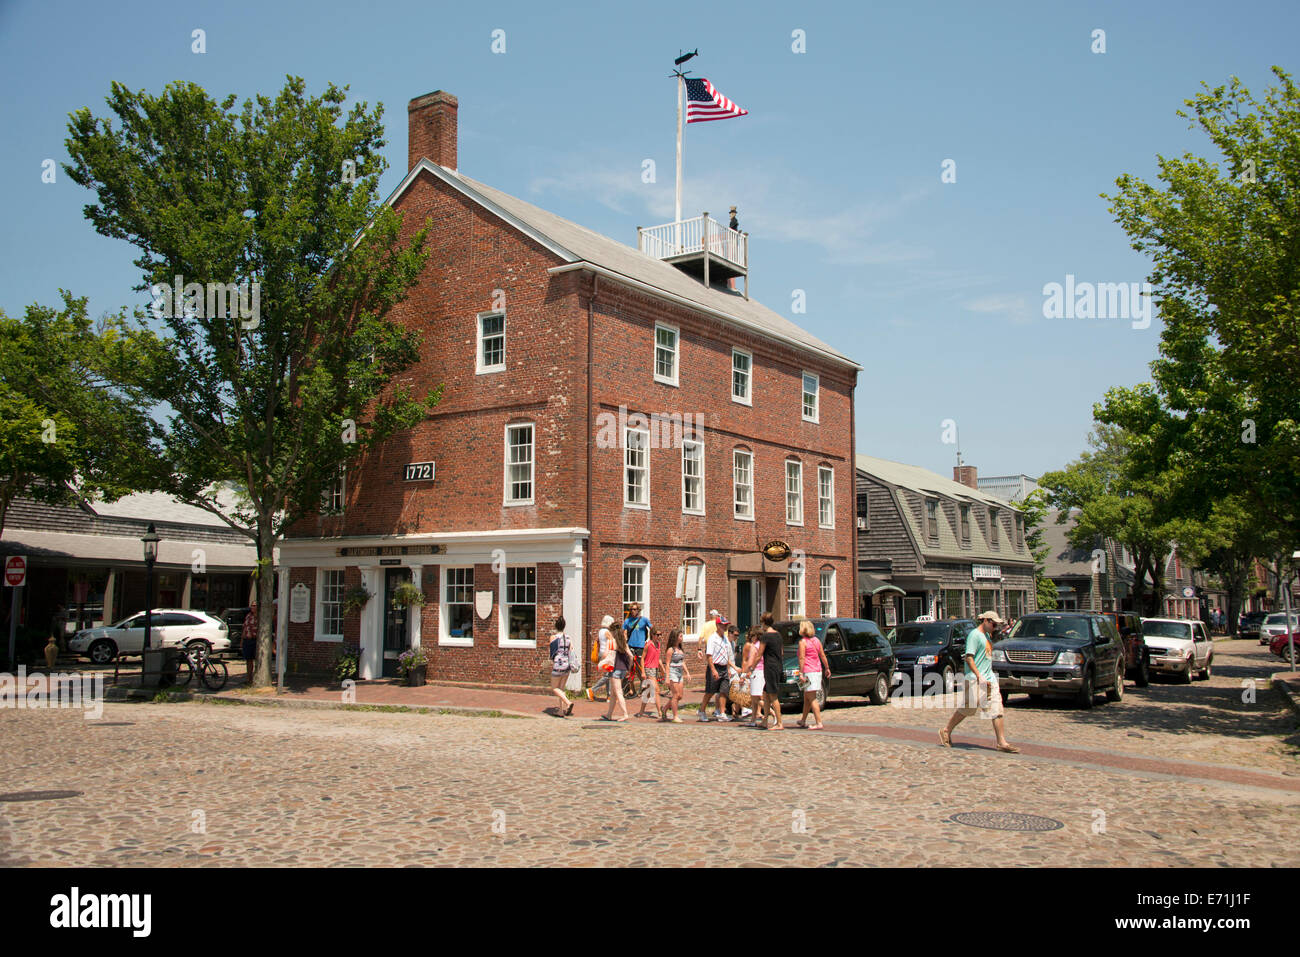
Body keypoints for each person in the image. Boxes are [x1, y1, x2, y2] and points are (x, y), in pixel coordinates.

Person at [940, 611, 1018, 753]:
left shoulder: (987, 636)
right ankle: (946, 730)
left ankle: (1002, 742)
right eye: (994, 624)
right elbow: (969, 658)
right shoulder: (974, 635)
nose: (995, 627)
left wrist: (988, 677)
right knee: (967, 709)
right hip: (975, 680)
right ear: (986, 621)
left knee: (997, 709)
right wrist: (979, 676)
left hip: (989, 680)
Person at [796, 619, 832, 730]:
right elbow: (822, 655)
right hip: (817, 670)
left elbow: (802, 658)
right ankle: (803, 720)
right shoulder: (816, 640)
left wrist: (801, 673)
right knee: (807, 697)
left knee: (812, 698)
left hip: (808, 672)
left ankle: (819, 722)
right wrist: (827, 667)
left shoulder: (803, 642)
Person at [701, 618, 735, 721]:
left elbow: (727, 655)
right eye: (723, 625)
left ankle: (722, 712)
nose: (725, 628)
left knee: (723, 691)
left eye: (726, 626)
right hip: (715, 666)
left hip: (724, 667)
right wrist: (713, 670)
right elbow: (709, 655)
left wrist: (728, 669)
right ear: (718, 626)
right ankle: (702, 710)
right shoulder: (712, 639)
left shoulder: (725, 639)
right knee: (710, 691)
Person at [756, 612, 785, 730]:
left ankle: (779, 723)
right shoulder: (778, 635)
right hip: (777, 666)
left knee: (773, 695)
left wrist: (752, 666)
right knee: (766, 694)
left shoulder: (765, 636)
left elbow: (759, 654)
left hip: (770, 667)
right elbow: (782, 652)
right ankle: (765, 721)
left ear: (764, 623)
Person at [602, 626, 632, 722]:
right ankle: (609, 714)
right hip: (623, 669)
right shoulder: (623, 643)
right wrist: (629, 668)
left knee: (618, 692)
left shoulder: (612, 642)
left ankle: (625, 714)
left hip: (615, 669)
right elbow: (631, 656)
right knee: (613, 693)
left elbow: (605, 654)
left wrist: (602, 661)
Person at [548, 617, 576, 717]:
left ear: (556, 626)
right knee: (561, 689)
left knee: (555, 688)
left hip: (558, 665)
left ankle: (568, 703)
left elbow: (552, 652)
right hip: (567, 665)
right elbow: (571, 649)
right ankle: (560, 710)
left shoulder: (553, 637)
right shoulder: (568, 637)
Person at [660, 629, 689, 723]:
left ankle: (664, 708)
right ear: (676, 637)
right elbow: (667, 664)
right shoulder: (670, 650)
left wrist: (687, 673)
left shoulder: (680, 649)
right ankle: (675, 716)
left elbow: (682, 662)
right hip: (673, 673)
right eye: (680, 636)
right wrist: (667, 677)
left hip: (680, 673)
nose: (682, 638)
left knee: (680, 696)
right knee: (675, 695)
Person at [740, 627, 767, 727]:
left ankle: (773, 714)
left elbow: (750, 661)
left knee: (756, 698)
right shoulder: (763, 645)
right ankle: (753, 720)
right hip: (763, 671)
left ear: (756, 636)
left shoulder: (754, 646)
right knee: (756, 697)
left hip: (756, 672)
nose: (750, 638)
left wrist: (743, 674)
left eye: (752, 636)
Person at [623, 603, 652, 695]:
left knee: (640, 668)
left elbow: (653, 629)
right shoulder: (627, 621)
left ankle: (645, 686)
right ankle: (632, 689)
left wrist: (650, 642)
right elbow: (624, 632)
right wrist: (625, 644)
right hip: (631, 646)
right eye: (631, 609)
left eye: (635, 609)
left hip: (640, 646)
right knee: (630, 668)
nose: (633, 611)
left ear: (638, 610)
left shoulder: (644, 620)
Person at [586, 615, 616, 701]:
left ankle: (609, 695)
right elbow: (612, 641)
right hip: (607, 654)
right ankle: (592, 690)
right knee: (608, 675)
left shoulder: (600, 631)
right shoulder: (607, 632)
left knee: (608, 675)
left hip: (601, 653)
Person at [635, 626, 663, 719]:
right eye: (657, 635)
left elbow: (658, 658)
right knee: (656, 690)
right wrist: (643, 671)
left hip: (654, 669)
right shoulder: (648, 644)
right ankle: (660, 712)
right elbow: (642, 658)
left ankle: (641, 711)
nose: (659, 636)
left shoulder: (658, 645)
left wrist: (662, 668)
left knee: (647, 692)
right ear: (652, 635)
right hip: (648, 669)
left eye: (660, 634)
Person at [241, 604, 258, 683]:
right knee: (248, 660)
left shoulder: (259, 617)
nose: (253, 607)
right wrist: (242, 640)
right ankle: (249, 678)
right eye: (252, 606)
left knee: (257, 660)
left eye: (255, 606)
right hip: (247, 640)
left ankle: (256, 678)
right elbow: (244, 628)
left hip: (255, 640)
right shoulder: (248, 616)